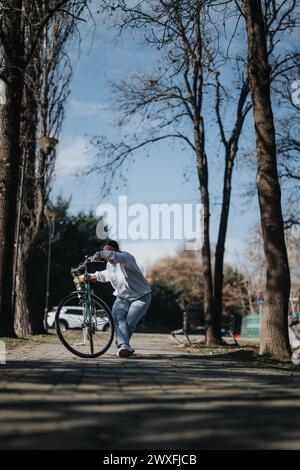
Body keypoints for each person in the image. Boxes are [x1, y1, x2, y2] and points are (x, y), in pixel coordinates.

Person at [84, 240, 152, 358]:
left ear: (117, 251)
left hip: (141, 296)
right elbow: (104, 275)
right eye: (105, 252)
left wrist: (100, 253)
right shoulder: (110, 266)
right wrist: (91, 276)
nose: (108, 254)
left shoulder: (126, 258)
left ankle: (122, 344)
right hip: (123, 297)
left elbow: (113, 255)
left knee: (129, 322)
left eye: (109, 251)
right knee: (117, 317)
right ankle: (124, 346)